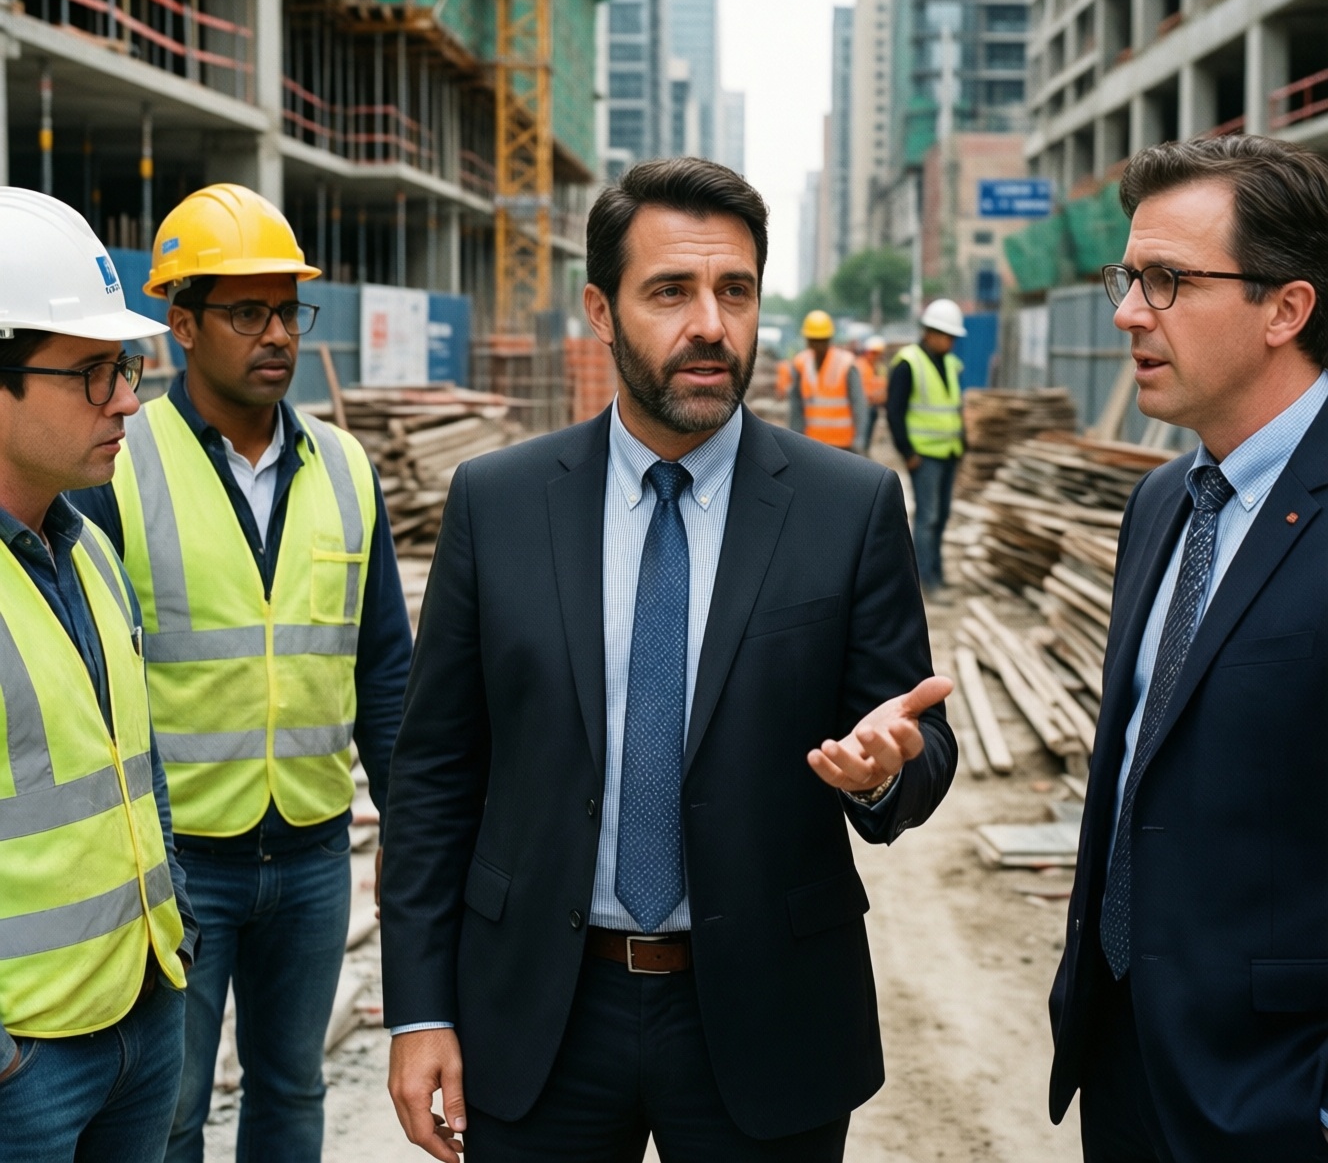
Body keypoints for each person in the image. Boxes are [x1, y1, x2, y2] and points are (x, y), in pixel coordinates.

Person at [381, 156, 957, 1163]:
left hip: (767, 1010)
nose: (710, 324)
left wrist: (885, 770)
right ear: (600, 311)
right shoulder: (498, 503)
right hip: (541, 1009)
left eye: (735, 290)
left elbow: (917, 737)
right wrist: (420, 1007)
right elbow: (433, 774)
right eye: (670, 292)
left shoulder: (848, 506)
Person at [72, 183, 412, 1163]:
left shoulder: (346, 468)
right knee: (171, 1110)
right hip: (181, 865)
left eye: (289, 312)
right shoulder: (117, 468)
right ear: (181, 324)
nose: (277, 336)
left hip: (312, 852)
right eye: (247, 312)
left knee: (292, 1090)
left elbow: (385, 668)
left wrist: (407, 830)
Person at [1048, 135, 1328, 1162]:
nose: (1128, 311)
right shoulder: (1164, 501)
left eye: (1165, 280)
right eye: (1127, 278)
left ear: (1284, 308)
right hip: (1122, 1056)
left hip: (1275, 1096)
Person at [0, 189, 196, 1161]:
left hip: (142, 1013)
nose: (126, 399)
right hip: (25, 1067)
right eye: (91, 373)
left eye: (124, 368)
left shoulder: (89, 553)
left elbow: (135, 768)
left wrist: (175, 931)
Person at [886, 299, 966, 595]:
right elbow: (894, 411)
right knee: (927, 518)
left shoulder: (950, 363)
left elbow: (954, 408)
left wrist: (963, 444)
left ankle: (936, 572)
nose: (951, 342)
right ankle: (923, 581)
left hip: (948, 452)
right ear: (929, 332)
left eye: (953, 337)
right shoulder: (908, 363)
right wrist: (907, 452)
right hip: (924, 456)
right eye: (946, 335)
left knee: (941, 517)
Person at [787, 309, 870, 451]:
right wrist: (795, 438)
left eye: (821, 341)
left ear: (829, 339)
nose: (817, 346)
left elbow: (859, 404)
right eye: (813, 341)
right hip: (812, 443)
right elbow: (796, 405)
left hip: (843, 444)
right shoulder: (800, 363)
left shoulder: (846, 363)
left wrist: (859, 439)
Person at [856, 334, 888, 452]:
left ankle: (864, 450)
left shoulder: (876, 368)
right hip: (865, 407)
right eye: (874, 353)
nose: (876, 357)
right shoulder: (860, 366)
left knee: (867, 436)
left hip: (872, 407)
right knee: (862, 436)